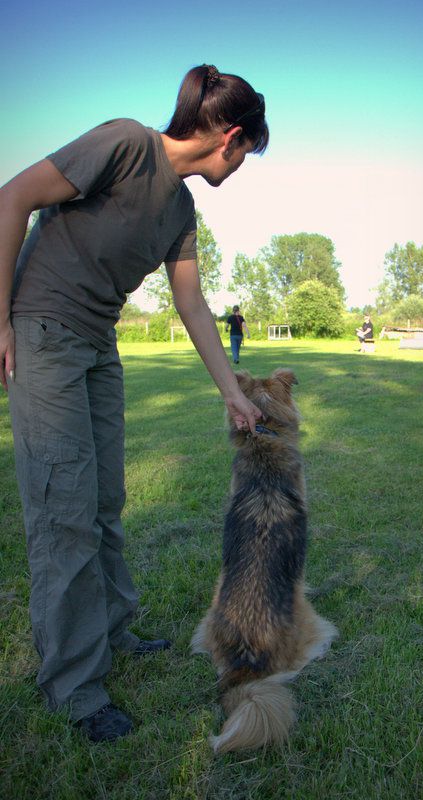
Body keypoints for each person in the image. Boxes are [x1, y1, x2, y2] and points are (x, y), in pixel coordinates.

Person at [0, 64, 268, 742]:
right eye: (248, 154)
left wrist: (233, 393)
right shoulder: (124, 143)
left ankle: (114, 632)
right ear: (230, 137)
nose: (242, 167)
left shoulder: (181, 210)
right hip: (44, 332)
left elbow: (193, 305)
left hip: (98, 347)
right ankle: (76, 687)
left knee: (104, 501)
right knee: (64, 512)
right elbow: (12, 198)